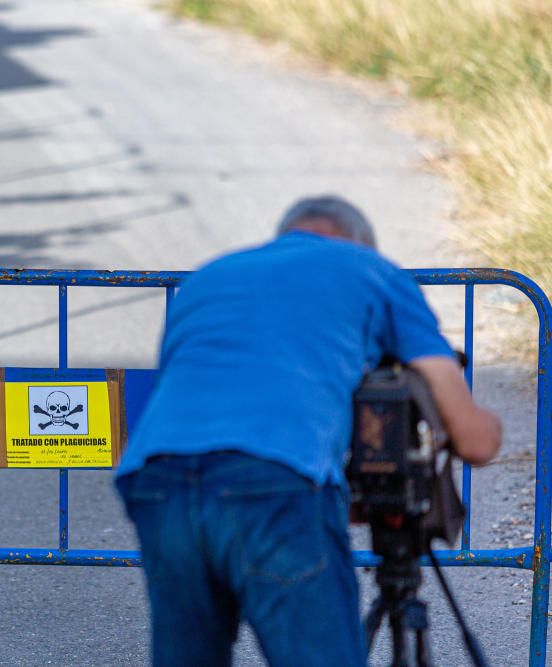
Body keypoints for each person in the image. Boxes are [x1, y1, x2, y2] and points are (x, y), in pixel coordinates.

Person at [115, 195, 501, 667]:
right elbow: (476, 442)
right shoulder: (370, 270)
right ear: (360, 242)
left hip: (156, 480)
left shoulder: (210, 277)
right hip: (272, 481)